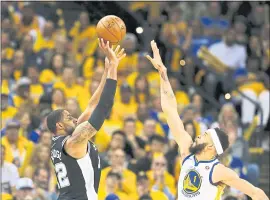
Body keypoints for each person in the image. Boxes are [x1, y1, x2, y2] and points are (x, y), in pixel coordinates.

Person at [145, 40, 268, 200]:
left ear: (211, 147)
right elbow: (170, 110)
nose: (198, 136)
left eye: (203, 136)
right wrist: (163, 75)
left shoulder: (219, 171)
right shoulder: (187, 153)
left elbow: (255, 193)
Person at [47, 39, 125, 200]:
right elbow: (103, 107)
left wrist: (107, 69)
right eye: (69, 117)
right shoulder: (74, 141)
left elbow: (91, 106)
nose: (75, 119)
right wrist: (115, 70)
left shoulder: (62, 141)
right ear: (60, 125)